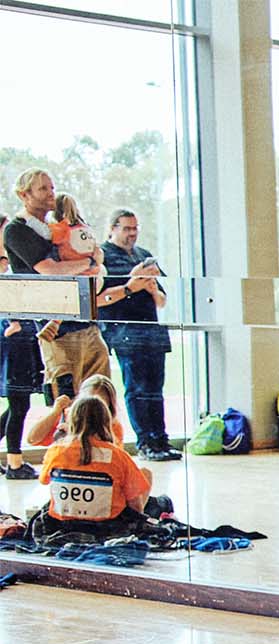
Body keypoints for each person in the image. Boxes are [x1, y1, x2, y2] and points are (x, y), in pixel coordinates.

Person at [4, 170, 108, 400]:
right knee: (65, 402)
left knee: (100, 400)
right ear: (24, 194)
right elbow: (50, 269)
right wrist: (88, 261)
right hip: (55, 332)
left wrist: (91, 260)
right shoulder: (17, 230)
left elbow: (92, 253)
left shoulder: (58, 228)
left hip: (86, 323)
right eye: (43, 189)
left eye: (52, 187)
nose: (51, 193)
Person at [96, 209, 177, 461]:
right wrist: (131, 286)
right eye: (126, 229)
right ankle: (145, 443)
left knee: (156, 388)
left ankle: (161, 440)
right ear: (112, 228)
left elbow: (162, 300)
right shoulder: (102, 257)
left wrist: (151, 288)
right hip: (124, 331)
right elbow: (98, 300)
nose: (132, 234)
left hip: (152, 330)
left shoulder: (144, 256)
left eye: (135, 228)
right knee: (138, 387)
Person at [39, 394, 149, 529]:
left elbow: (44, 480)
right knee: (158, 499)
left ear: (72, 421)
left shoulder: (55, 451)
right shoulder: (118, 455)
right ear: (105, 421)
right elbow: (135, 506)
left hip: (63, 524)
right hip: (107, 526)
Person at [1, 313, 41, 479]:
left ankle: (14, 462)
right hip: (17, 343)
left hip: (18, 340)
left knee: (18, 405)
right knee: (19, 405)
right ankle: (14, 464)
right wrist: (15, 323)